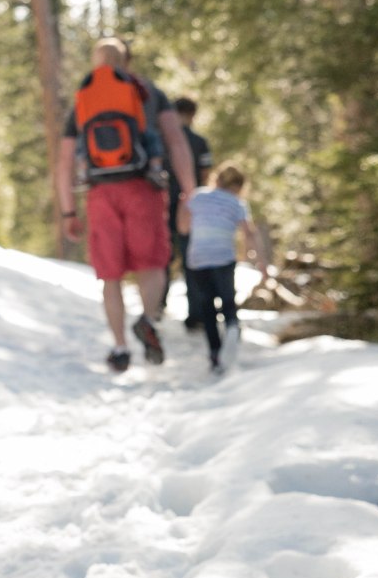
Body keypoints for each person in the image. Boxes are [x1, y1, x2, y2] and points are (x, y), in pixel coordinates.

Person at [57, 37, 195, 373]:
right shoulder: (148, 92)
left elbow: (63, 163)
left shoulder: (85, 98)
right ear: (126, 61)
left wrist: (67, 211)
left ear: (97, 62)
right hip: (143, 187)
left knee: (111, 275)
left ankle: (120, 348)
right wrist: (190, 192)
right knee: (151, 264)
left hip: (100, 194)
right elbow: (176, 140)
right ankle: (148, 319)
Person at [179, 161, 268, 373]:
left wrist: (183, 206)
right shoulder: (236, 203)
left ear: (216, 179)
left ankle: (215, 356)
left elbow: (183, 228)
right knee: (228, 300)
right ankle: (232, 328)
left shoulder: (198, 196)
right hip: (223, 257)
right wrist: (260, 262)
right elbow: (249, 233)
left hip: (198, 258)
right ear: (238, 186)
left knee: (207, 307)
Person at [163, 96, 213, 327]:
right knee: (191, 258)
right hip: (190, 205)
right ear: (192, 114)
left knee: (162, 255)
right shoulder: (199, 142)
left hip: (162, 204)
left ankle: (157, 307)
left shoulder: (163, 140)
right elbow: (205, 175)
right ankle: (196, 313)